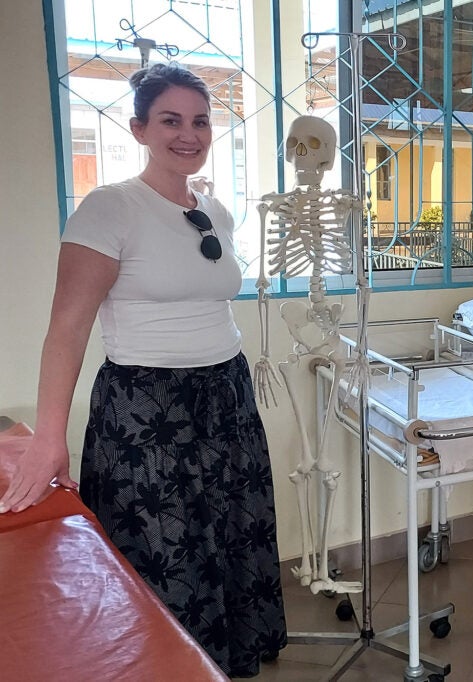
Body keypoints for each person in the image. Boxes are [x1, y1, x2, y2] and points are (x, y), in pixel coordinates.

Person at [0, 62, 287, 676]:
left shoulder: (217, 211)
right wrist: (49, 437)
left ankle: (226, 662)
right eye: (171, 120)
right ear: (138, 128)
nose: (189, 134)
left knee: (229, 537)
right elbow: (67, 329)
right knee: (164, 554)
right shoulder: (109, 208)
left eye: (201, 121)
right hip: (146, 410)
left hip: (227, 398)